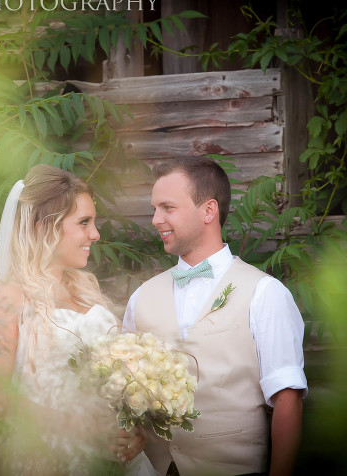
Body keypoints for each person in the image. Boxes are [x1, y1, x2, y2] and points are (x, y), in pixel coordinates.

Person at [122, 156, 307, 476]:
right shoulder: (141, 298)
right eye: (154, 208)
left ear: (208, 211)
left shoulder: (265, 293)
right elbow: (124, 393)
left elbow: (287, 400)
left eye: (167, 207)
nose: (155, 219)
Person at [0, 165, 150, 475]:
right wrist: (87, 429)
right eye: (84, 223)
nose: (95, 234)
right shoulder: (8, 297)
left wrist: (132, 433)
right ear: (44, 227)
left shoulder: (88, 293)